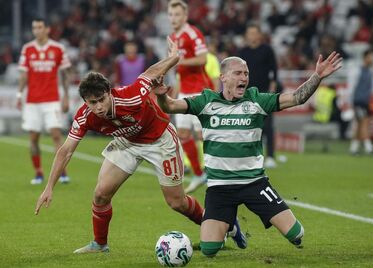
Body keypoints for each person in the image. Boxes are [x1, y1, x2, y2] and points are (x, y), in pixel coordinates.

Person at [33, 39, 243, 254]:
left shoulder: (131, 97)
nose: (98, 107)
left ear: (109, 92)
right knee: (100, 194)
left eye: (101, 100)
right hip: (128, 143)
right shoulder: (85, 116)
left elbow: (151, 73)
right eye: (91, 103)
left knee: (176, 202)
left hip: (160, 140)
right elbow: (66, 150)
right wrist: (49, 186)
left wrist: (174, 58)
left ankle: (222, 226)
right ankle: (100, 244)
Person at [155, 52, 342, 257]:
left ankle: (236, 222)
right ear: (223, 77)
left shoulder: (257, 100)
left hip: (254, 183)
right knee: (209, 250)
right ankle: (232, 227)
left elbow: (297, 97)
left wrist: (317, 76)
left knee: (296, 234)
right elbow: (170, 106)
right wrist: (162, 95)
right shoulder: (206, 101)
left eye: (246, 73)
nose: (244, 77)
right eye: (238, 73)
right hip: (220, 188)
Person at [17, 18, 71, 185]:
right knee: (33, 138)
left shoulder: (58, 48)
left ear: (47, 29)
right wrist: (19, 95)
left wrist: (66, 96)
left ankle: (62, 172)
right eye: (34, 28)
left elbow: (65, 74)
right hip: (32, 101)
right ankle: (39, 172)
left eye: (40, 27)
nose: (36, 30)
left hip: (52, 100)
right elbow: (24, 75)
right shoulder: (28, 49)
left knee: (56, 135)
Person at [168, 0, 213, 193]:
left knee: (204, 134)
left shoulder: (192, 33)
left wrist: (180, 59)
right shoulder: (171, 37)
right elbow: (178, 70)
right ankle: (198, 174)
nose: (173, 18)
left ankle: (215, 172)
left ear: (185, 16)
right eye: (171, 14)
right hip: (184, 90)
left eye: (177, 14)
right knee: (183, 134)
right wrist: (176, 91)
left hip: (199, 89)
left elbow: (203, 58)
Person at [238, 23, 279, 168]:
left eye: (254, 33)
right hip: (247, 94)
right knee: (249, 125)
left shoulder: (267, 50)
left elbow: (274, 71)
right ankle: (252, 156)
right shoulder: (242, 52)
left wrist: (271, 91)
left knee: (267, 125)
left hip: (264, 93)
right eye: (249, 33)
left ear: (259, 35)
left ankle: (271, 156)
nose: (252, 36)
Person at [348, 49, 373, 155]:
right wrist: (349, 102)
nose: (372, 59)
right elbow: (351, 87)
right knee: (364, 122)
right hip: (357, 101)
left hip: (365, 101)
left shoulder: (371, 71)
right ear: (365, 57)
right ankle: (369, 147)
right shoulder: (357, 70)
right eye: (370, 56)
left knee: (359, 125)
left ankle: (353, 148)